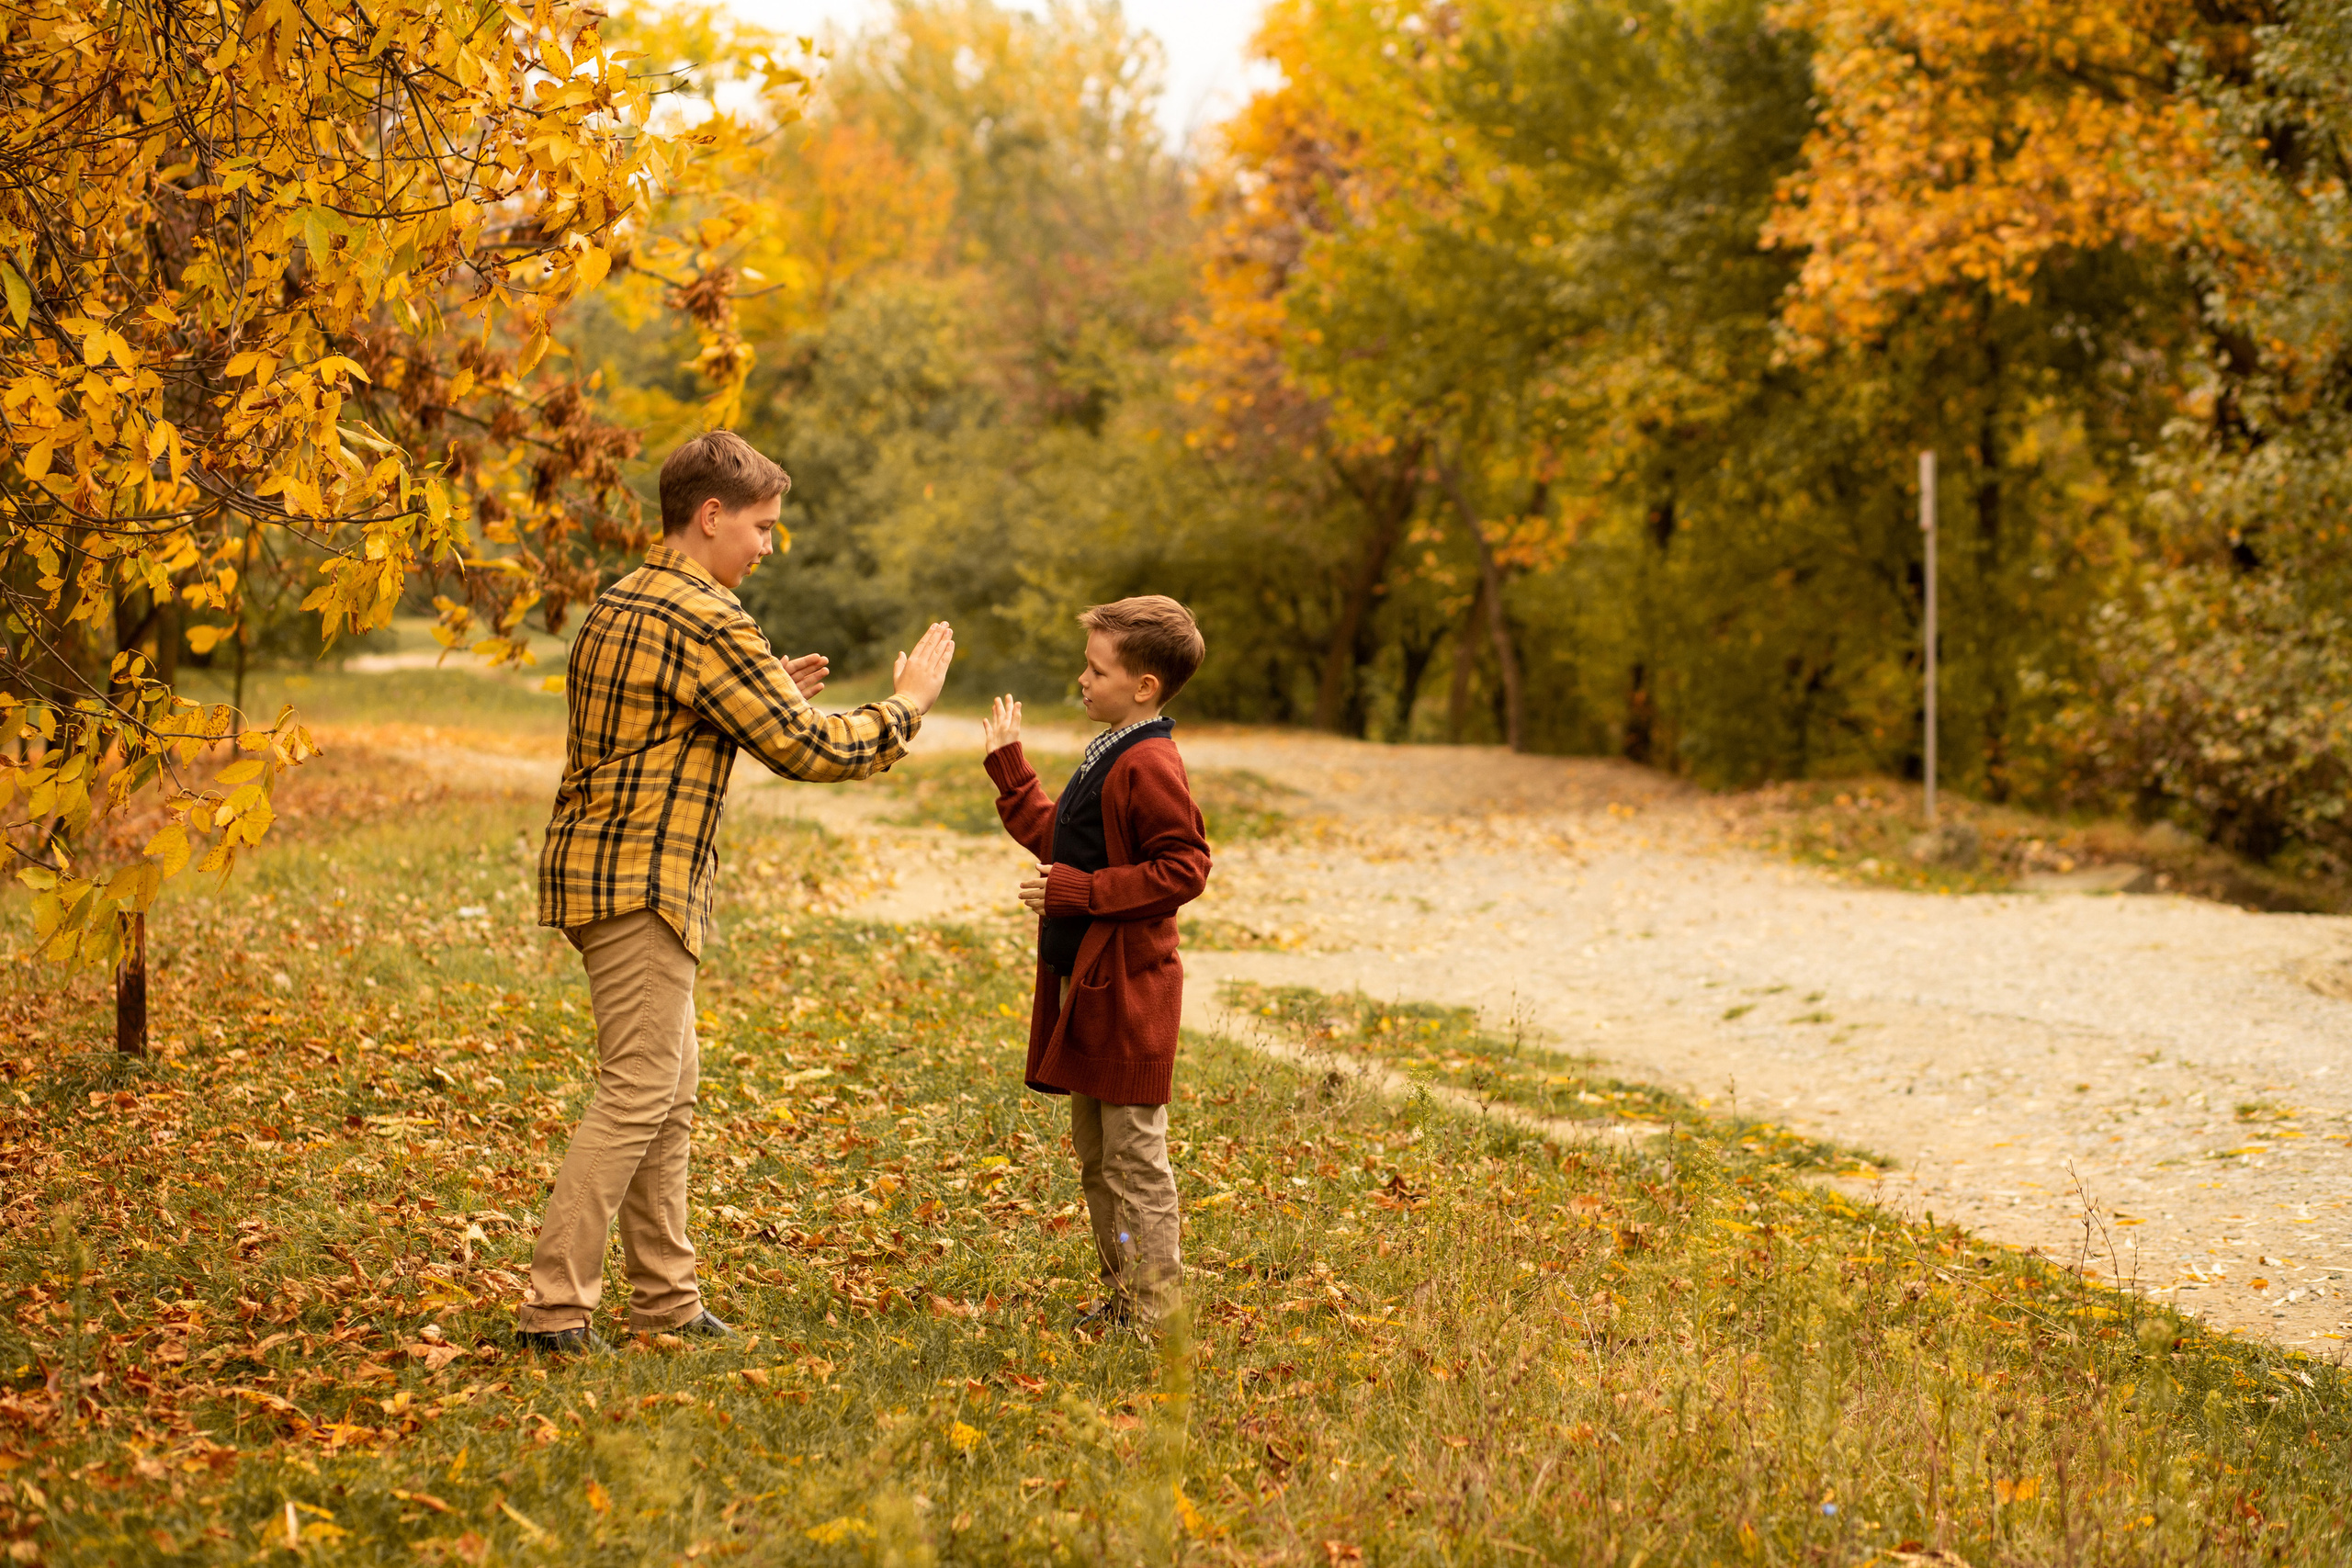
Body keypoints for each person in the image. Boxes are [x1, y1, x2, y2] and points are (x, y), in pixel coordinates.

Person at [519, 430, 956, 1355]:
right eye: (761, 526)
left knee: (669, 1090)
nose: (767, 544)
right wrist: (910, 702)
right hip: (641, 881)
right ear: (710, 516)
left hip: (605, 870)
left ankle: (668, 1303)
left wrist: (765, 694)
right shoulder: (709, 620)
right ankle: (555, 1312)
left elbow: (656, 729)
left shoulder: (628, 599)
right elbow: (818, 751)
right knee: (639, 1092)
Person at [979, 596, 1211, 1333]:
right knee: (1098, 1160)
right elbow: (1062, 840)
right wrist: (1012, 773)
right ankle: (1123, 1294)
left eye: (1096, 667)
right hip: (1089, 988)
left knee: (1135, 1161)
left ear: (1144, 685)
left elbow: (1185, 867)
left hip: (1132, 994)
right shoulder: (1112, 748)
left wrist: (1084, 893)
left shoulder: (1150, 762)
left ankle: (1152, 1312)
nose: (1082, 677)